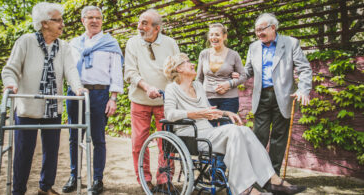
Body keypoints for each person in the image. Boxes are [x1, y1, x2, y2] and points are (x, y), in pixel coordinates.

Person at [163, 53, 307, 195]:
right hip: (190, 135)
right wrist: (197, 114)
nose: (192, 64)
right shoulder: (172, 88)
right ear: (179, 69)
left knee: (243, 130)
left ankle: (271, 180)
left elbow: (209, 109)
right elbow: (169, 114)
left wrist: (226, 113)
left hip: (207, 132)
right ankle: (246, 189)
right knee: (234, 131)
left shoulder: (198, 86)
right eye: (187, 62)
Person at [1, 2, 85, 195]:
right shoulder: (26, 41)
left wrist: (78, 88)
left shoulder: (63, 47)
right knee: (24, 152)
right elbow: (10, 69)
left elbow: (70, 71)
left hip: (52, 108)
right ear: (45, 23)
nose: (62, 24)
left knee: (51, 151)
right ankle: (18, 191)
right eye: (58, 21)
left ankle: (45, 188)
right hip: (27, 107)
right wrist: (11, 83)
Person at [62, 6, 124, 195]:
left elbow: (116, 72)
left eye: (98, 18)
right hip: (75, 93)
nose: (95, 21)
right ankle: (74, 176)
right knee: (74, 137)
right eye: (90, 17)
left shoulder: (110, 43)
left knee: (98, 138)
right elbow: (66, 69)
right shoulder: (73, 44)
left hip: (99, 94)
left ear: (102, 21)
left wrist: (113, 98)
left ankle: (97, 179)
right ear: (83, 20)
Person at [243, 13, 312, 176]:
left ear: (272, 27)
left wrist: (303, 89)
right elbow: (247, 70)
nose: (258, 33)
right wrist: (234, 78)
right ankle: (258, 174)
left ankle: (273, 175)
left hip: (283, 97)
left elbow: (304, 69)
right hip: (261, 97)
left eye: (261, 29)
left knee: (279, 138)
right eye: (256, 30)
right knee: (259, 136)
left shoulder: (291, 43)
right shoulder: (253, 47)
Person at [124, 9, 180, 190]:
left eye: (145, 23)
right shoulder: (132, 43)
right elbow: (130, 72)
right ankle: (144, 177)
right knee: (138, 142)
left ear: (157, 28)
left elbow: (177, 69)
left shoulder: (171, 44)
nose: (140, 27)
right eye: (140, 22)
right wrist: (147, 88)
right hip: (140, 100)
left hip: (165, 101)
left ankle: (165, 180)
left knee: (167, 142)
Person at [196, 23, 246, 125]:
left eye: (217, 35)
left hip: (229, 100)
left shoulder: (233, 55)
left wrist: (229, 84)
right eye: (211, 35)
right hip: (208, 99)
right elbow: (199, 79)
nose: (214, 37)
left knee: (227, 130)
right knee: (210, 130)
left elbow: (243, 75)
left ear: (224, 36)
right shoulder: (204, 54)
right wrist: (199, 98)